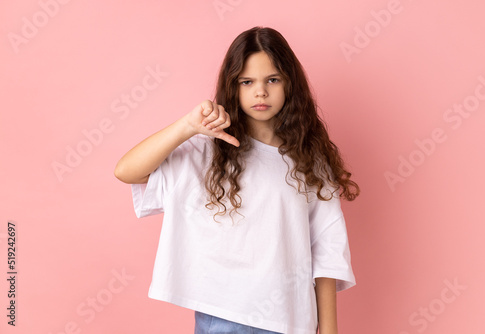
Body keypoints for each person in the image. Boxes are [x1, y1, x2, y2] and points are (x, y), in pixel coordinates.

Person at [114, 26, 360, 334]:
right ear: (234, 87)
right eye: (247, 82)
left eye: (272, 79)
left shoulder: (310, 161)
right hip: (225, 318)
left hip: (292, 320)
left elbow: (327, 250)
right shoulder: (207, 150)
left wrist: (329, 330)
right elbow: (127, 171)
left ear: (289, 84)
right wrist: (188, 125)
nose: (261, 91)